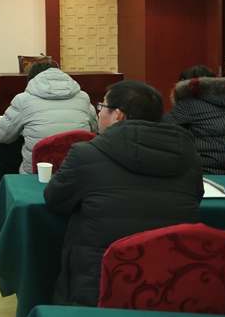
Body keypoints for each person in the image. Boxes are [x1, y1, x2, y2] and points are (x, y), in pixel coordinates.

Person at [44, 80, 204, 307]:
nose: (98, 113)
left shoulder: (85, 154)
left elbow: (54, 198)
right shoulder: (189, 156)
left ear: (117, 115)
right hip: (174, 284)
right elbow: (196, 197)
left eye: (102, 106)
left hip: (101, 284)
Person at [0, 62, 99, 174]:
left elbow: (1, 137)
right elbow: (94, 130)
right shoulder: (83, 98)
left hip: (37, 175)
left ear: (31, 80)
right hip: (79, 172)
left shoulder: (23, 100)